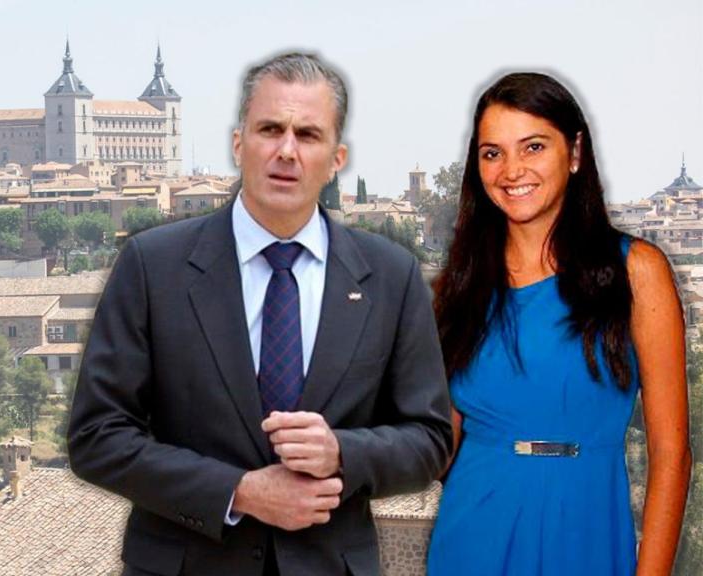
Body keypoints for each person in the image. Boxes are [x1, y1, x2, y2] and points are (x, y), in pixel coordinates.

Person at [68, 52, 452, 576]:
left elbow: (429, 441)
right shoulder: (152, 267)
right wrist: (239, 492)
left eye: (308, 135)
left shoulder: (391, 276)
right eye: (270, 128)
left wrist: (341, 452)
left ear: (337, 159)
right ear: (238, 144)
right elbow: (97, 437)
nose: (287, 151)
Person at [427, 72, 692, 575]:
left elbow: (672, 454)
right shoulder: (458, 288)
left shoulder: (637, 272)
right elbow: (438, 445)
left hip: (586, 533)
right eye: (492, 153)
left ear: (574, 153)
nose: (511, 170)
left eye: (532, 147)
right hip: (471, 535)